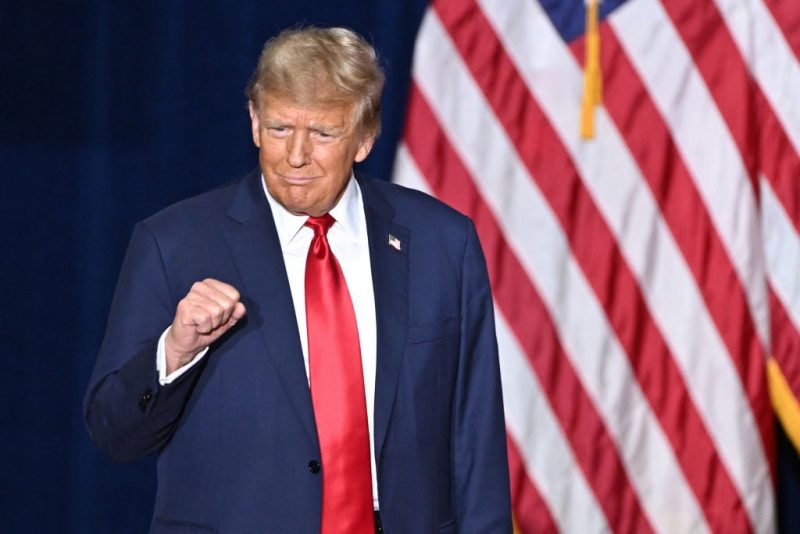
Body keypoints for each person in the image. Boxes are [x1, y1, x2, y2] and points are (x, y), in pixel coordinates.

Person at [84, 26, 511, 533]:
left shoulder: (443, 244)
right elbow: (114, 434)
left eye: (323, 134)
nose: (296, 156)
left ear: (365, 138)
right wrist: (173, 353)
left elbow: (475, 439)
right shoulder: (173, 243)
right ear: (254, 122)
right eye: (281, 128)